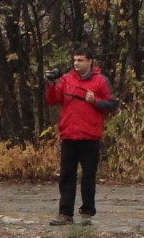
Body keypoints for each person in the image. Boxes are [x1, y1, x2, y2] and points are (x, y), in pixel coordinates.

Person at [44, 49, 116, 225]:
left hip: (90, 136)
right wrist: (51, 85)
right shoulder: (67, 79)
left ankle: (87, 212)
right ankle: (65, 213)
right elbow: (53, 100)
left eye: (81, 60)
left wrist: (95, 101)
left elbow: (112, 105)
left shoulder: (100, 81)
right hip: (69, 135)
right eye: (75, 60)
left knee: (88, 176)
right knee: (67, 176)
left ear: (90, 61)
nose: (76, 63)